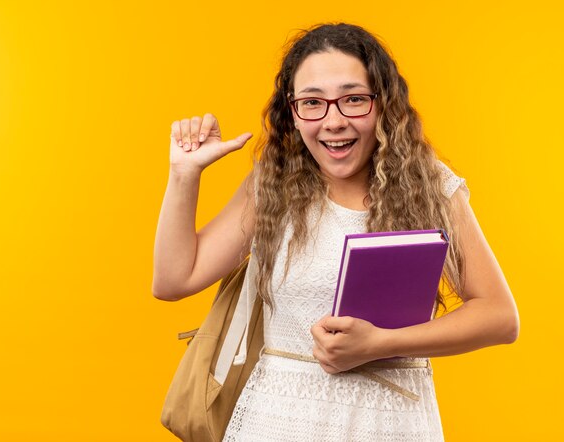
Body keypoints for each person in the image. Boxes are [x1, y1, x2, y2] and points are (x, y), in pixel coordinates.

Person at [153, 23, 519, 442]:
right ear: (292, 112)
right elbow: (173, 280)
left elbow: (499, 316)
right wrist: (184, 177)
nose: (334, 121)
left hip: (392, 425)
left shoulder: (430, 186)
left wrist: (378, 343)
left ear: (383, 105)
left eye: (354, 100)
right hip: (278, 422)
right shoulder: (272, 185)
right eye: (313, 103)